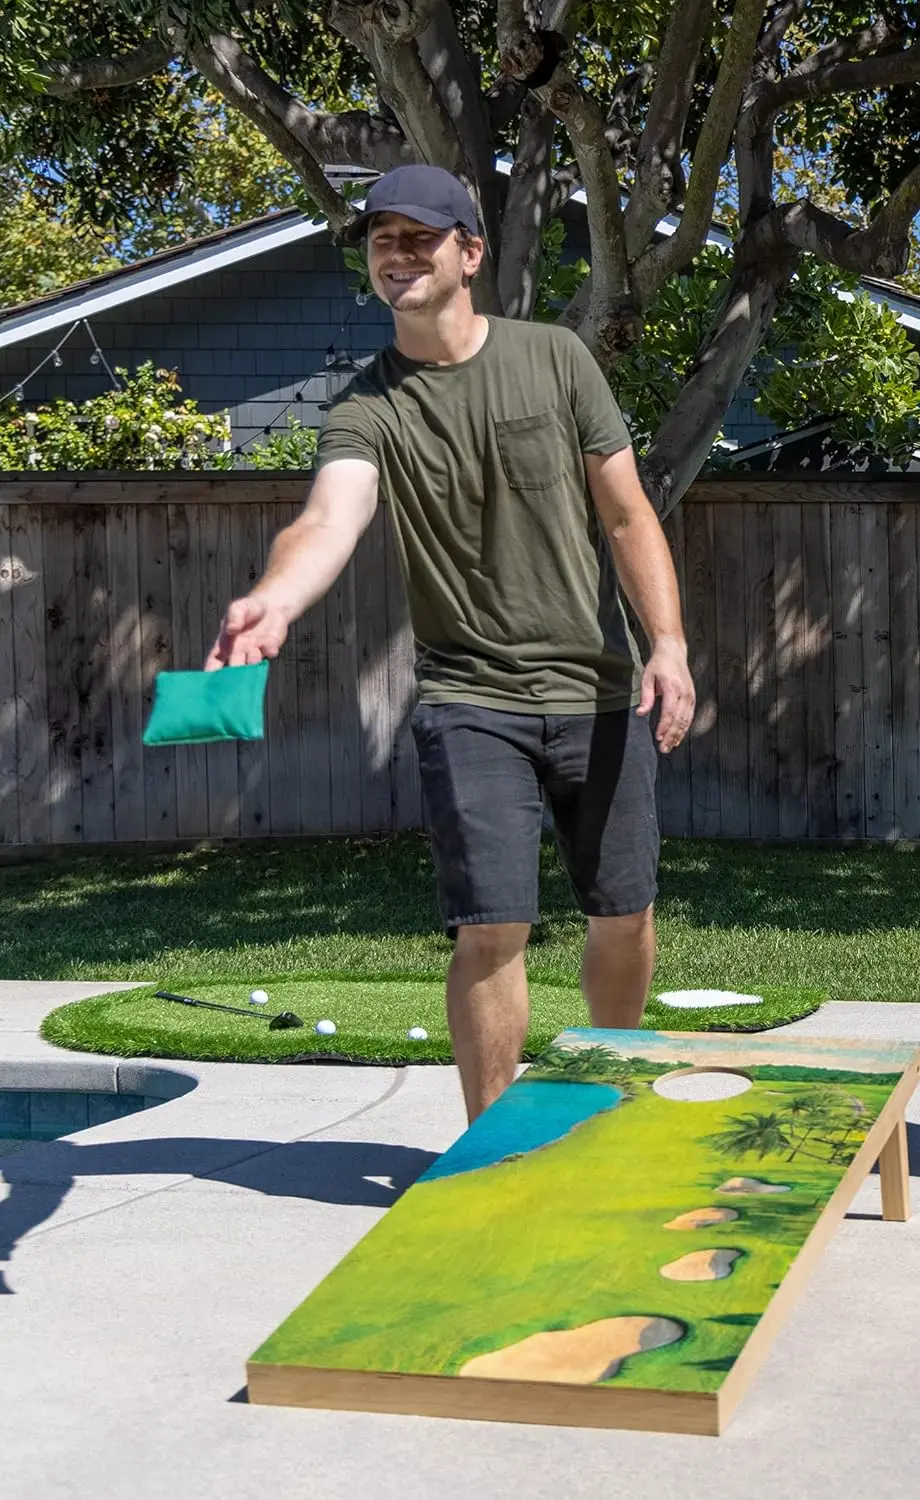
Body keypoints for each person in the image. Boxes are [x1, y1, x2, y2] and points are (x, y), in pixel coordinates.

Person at [206, 164, 695, 1123]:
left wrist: (669, 645)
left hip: (599, 690)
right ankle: (492, 1145)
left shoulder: (555, 360)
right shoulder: (366, 405)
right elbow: (327, 520)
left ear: (470, 252)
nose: (398, 253)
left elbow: (631, 515)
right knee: (491, 928)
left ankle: (614, 1081)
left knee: (624, 913)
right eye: (382, 239)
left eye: (419, 236)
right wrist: (273, 598)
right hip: (471, 700)